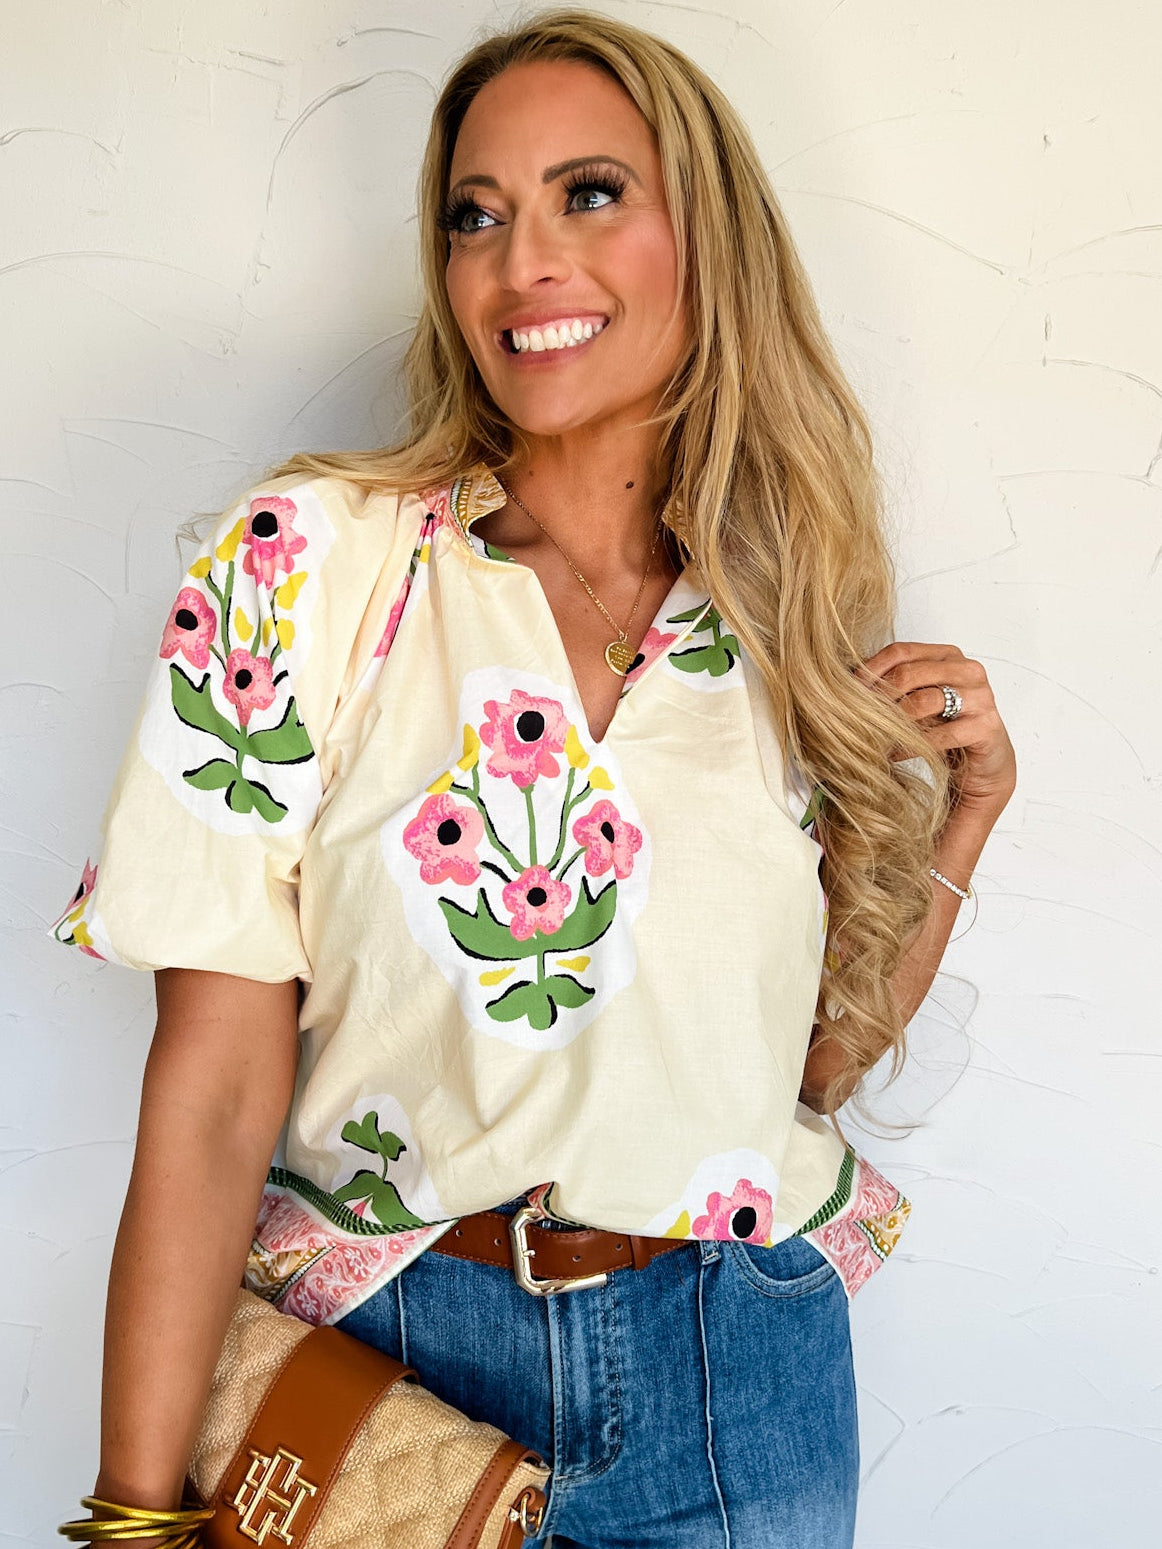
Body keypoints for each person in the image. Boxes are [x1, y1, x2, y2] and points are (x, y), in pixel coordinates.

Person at [51, 8, 1017, 1547]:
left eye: (589, 194)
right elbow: (217, 1089)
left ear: (707, 242)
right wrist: (136, 1518)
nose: (522, 262)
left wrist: (962, 815)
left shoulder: (778, 618)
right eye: (475, 214)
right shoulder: (306, 569)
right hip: (393, 1380)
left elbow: (788, 1080)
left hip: (742, 1379)